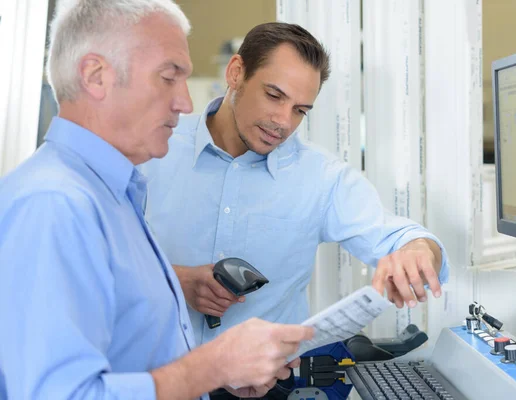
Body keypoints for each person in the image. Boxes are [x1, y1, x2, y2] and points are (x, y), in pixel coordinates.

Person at [0, 2, 312, 400]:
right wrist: (211, 366)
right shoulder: (53, 205)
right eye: (169, 78)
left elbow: (129, 358)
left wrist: (221, 371)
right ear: (96, 76)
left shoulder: (116, 196)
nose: (185, 103)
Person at [140, 20, 450, 349]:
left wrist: (417, 251)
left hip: (268, 388)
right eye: (274, 96)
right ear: (235, 72)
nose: (283, 122)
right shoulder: (152, 149)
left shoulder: (322, 177)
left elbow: (403, 238)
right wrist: (176, 281)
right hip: (154, 380)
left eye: (300, 110)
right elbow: (94, 263)